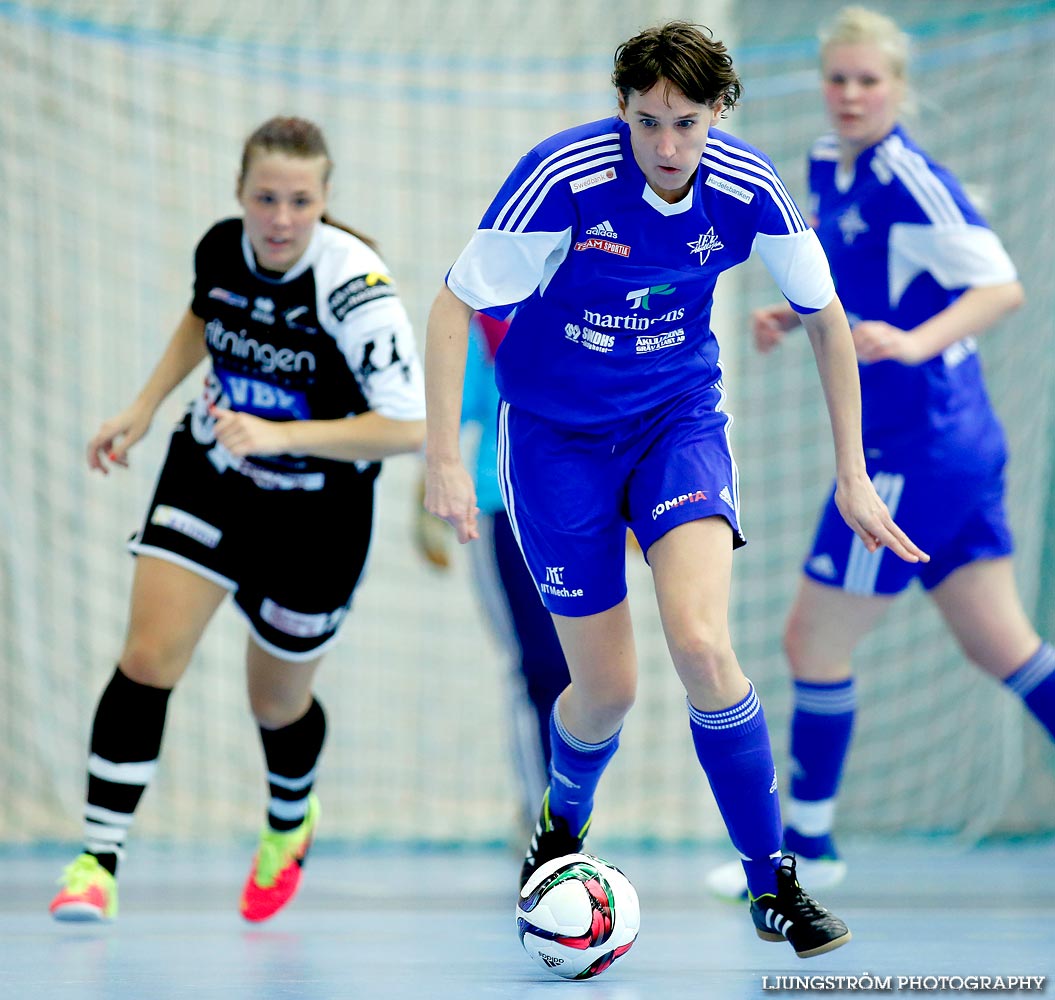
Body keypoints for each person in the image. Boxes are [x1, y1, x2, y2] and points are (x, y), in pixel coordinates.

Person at [423, 20, 929, 960]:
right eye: (646, 121)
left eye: (684, 124)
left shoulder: (749, 190)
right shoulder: (563, 178)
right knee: (604, 691)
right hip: (554, 439)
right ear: (621, 107)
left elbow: (826, 321)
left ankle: (770, 883)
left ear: (718, 115)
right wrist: (443, 457)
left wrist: (852, 475)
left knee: (701, 643)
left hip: (676, 424)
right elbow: (455, 302)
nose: (664, 146)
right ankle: (559, 825)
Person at [706, 6, 1053, 900]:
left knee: (809, 641)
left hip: (917, 444)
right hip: (952, 447)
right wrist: (797, 310)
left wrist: (914, 339)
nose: (852, 94)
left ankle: (806, 850)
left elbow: (1001, 286)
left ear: (900, 88)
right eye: (839, 78)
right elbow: (852, 264)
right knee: (1004, 647)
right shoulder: (828, 163)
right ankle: (808, 846)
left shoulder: (911, 176)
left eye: (870, 80)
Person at [48, 116, 426, 923]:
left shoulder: (354, 287)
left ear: (324, 201)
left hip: (319, 515)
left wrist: (285, 435)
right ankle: (96, 859)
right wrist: (143, 407)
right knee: (147, 658)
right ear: (239, 194)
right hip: (213, 476)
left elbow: (408, 427)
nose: (281, 218)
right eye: (265, 198)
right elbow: (202, 316)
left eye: (299, 201)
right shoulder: (222, 248)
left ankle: (289, 820)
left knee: (275, 704)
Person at [414, 313, 572, 832]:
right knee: (538, 665)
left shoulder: (596, 305)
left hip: (577, 513)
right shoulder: (489, 322)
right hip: (504, 510)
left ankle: (570, 802)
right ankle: (543, 814)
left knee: (586, 672)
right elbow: (456, 412)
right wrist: (425, 506)